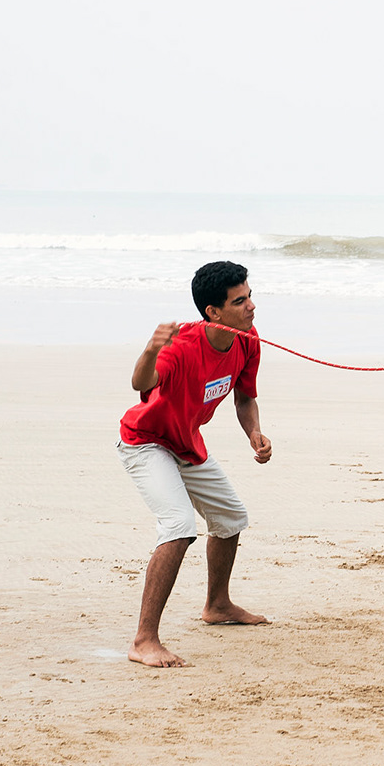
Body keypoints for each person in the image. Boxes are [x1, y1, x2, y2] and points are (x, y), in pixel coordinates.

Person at [115, 260, 274, 668]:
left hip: (186, 443)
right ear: (213, 312)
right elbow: (141, 383)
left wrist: (254, 433)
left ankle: (217, 605)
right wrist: (151, 349)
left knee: (230, 517)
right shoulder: (181, 347)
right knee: (179, 526)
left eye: (250, 296)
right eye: (240, 301)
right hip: (146, 442)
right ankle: (144, 640)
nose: (252, 306)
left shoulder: (247, 340)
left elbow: (244, 398)